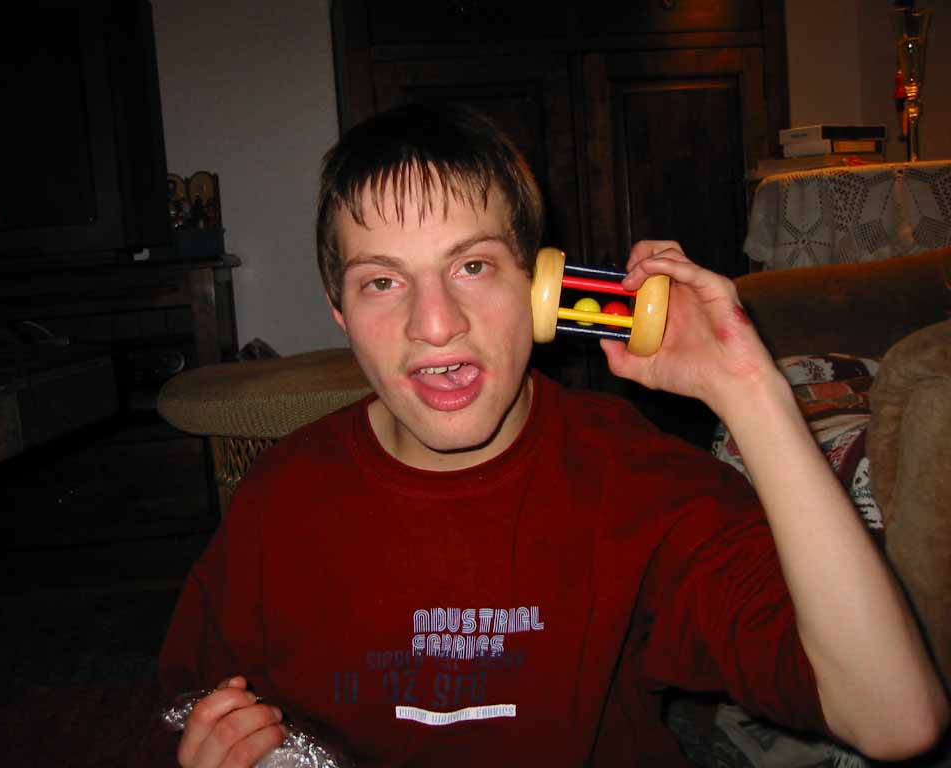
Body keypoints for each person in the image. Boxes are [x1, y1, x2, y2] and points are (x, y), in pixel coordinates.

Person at [159, 103, 948, 767]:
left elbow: (895, 719)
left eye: (473, 266)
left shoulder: (633, 480)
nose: (434, 324)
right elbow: (195, 701)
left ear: (542, 287)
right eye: (383, 281)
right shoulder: (282, 498)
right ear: (339, 310)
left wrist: (748, 390)